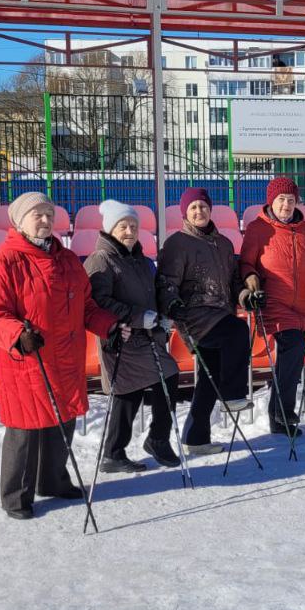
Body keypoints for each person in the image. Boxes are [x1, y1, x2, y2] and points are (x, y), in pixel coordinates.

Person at [0, 191, 119, 520]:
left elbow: (87, 307)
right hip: (29, 358)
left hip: (67, 356)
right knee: (25, 427)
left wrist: (109, 326)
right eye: (37, 215)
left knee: (62, 420)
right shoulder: (5, 261)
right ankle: (16, 496)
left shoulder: (68, 259)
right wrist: (17, 335)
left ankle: (53, 480)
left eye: (48, 215)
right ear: (19, 221)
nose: (44, 220)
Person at [85, 199, 191, 472]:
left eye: (133, 225)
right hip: (120, 335)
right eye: (123, 226)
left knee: (166, 375)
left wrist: (161, 314)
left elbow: (155, 293)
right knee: (126, 392)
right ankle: (115, 452)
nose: (130, 231)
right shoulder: (101, 260)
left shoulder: (143, 261)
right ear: (110, 229)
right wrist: (135, 316)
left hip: (146, 335)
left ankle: (155, 439)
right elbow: (98, 301)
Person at [156, 187, 251, 451]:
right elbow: (166, 282)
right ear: (185, 213)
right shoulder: (177, 244)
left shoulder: (224, 243)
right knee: (238, 332)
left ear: (211, 210)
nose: (199, 212)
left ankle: (195, 438)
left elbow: (234, 282)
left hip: (221, 312)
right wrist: (171, 302)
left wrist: (245, 296)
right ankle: (233, 394)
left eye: (203, 207)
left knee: (209, 379)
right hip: (194, 317)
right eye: (193, 208)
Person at [239, 175, 305, 436]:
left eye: (290, 200)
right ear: (271, 201)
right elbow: (246, 263)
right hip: (275, 301)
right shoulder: (258, 228)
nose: (286, 205)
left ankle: (277, 416)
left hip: (303, 303)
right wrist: (251, 277)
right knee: (293, 347)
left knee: (291, 358)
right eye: (281, 200)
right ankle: (283, 412)